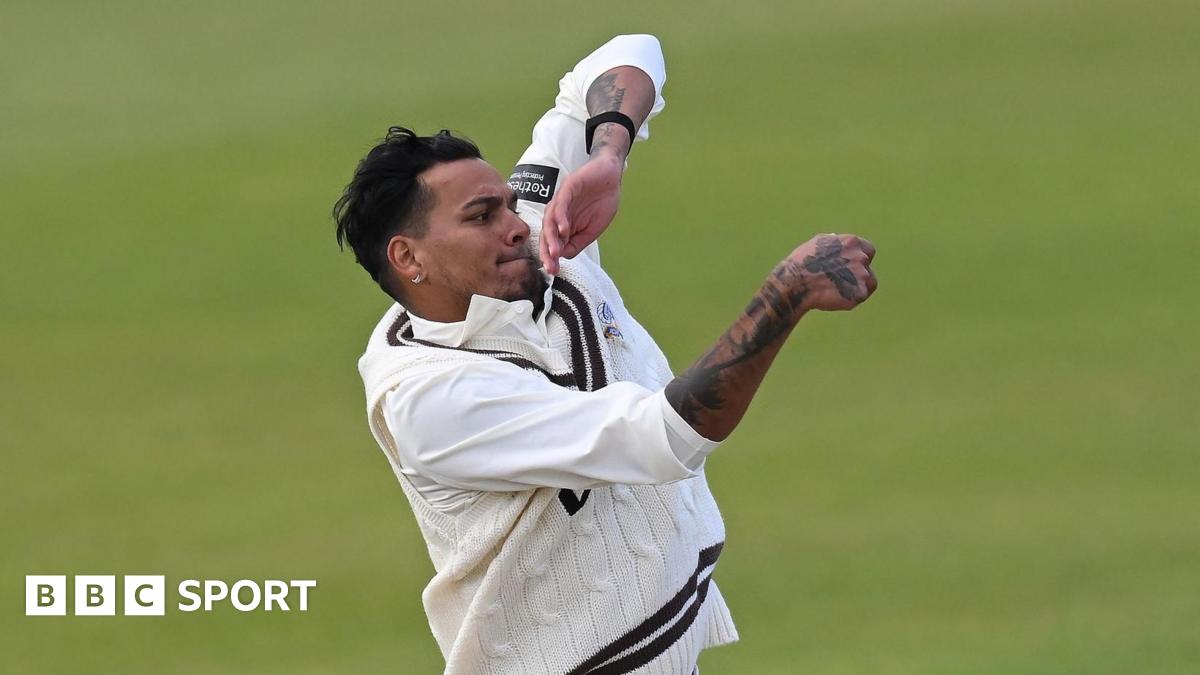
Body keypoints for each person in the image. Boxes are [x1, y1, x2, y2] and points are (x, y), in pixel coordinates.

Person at [333, 34, 877, 675]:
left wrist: (607, 154)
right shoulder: (430, 401)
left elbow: (629, 50)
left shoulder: (537, 231)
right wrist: (783, 297)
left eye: (508, 203)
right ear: (408, 258)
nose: (516, 223)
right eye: (482, 216)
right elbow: (663, 439)